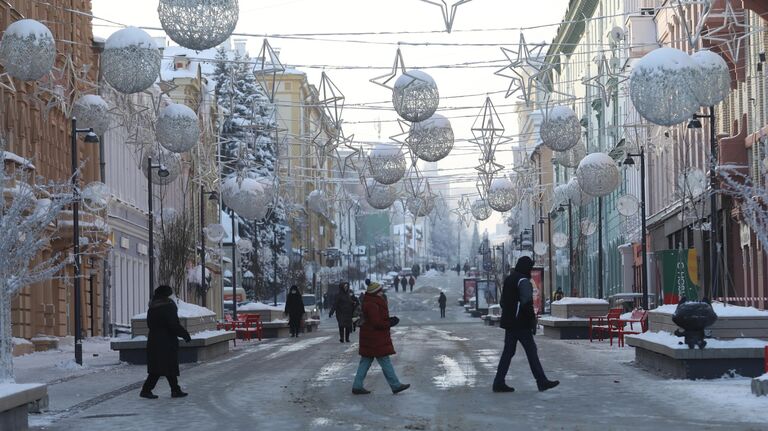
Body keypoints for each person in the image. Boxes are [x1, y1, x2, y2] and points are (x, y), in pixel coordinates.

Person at [493, 256, 559, 393]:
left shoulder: (509, 279)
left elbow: (502, 303)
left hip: (510, 323)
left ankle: (498, 382)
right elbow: (526, 303)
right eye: (530, 267)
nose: (530, 270)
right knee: (531, 352)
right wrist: (531, 322)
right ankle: (542, 381)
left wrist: (510, 313)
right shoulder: (523, 281)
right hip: (521, 324)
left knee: (508, 353)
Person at [352, 282, 410, 395]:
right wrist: (390, 322)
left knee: (365, 362)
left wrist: (388, 320)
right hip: (375, 338)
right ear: (375, 292)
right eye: (380, 290)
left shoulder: (370, 301)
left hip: (369, 337)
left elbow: (375, 319)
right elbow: (376, 322)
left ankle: (357, 386)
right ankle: (395, 385)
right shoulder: (373, 304)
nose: (382, 292)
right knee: (385, 361)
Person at [140, 285, 191, 399]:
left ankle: (175, 390)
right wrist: (185, 334)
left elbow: (150, 324)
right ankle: (146, 390)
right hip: (167, 340)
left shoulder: (152, 306)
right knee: (165, 366)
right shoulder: (168, 306)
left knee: (163, 366)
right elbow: (173, 324)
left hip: (154, 339)